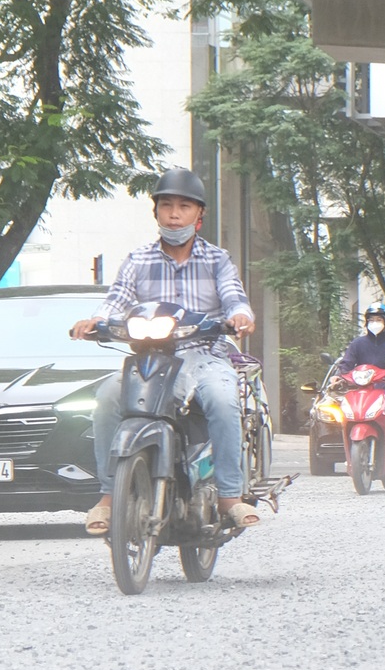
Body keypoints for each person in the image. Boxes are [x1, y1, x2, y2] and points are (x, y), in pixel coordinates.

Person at [71, 167, 257, 534]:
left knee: (223, 399)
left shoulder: (217, 259)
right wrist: (95, 320)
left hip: (204, 354)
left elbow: (235, 297)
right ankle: (108, 496)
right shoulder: (137, 260)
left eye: (184, 207)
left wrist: (239, 315)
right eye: (167, 205)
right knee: (107, 396)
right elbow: (116, 300)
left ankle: (230, 496)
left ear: (199, 217)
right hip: (149, 358)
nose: (175, 214)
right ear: (155, 212)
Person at [334, 305, 385, 455]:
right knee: (347, 411)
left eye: (378, 319)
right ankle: (351, 452)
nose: (374, 323)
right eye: (371, 319)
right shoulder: (358, 344)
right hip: (363, 393)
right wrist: (338, 376)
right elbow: (346, 364)